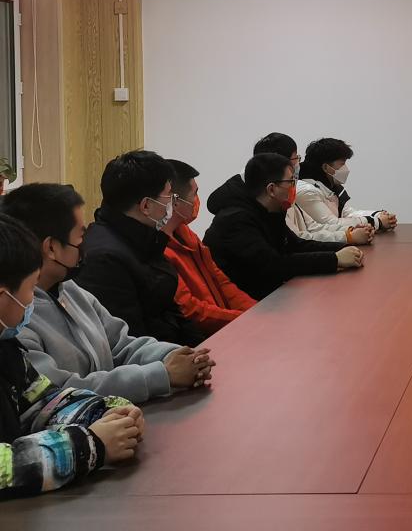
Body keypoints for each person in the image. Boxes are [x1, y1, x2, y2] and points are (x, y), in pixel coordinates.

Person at [2, 183, 213, 402]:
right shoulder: (15, 317)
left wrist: (177, 356)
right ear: (52, 248)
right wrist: (162, 375)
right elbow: (58, 393)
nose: (85, 245)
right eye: (80, 238)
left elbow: (121, 344)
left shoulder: (70, 290)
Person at [0, 212, 145, 499]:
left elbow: (40, 401)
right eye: (30, 289)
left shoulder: (6, 348)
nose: (31, 301)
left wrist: (106, 412)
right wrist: (92, 444)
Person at [75, 151, 205, 346]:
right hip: (153, 359)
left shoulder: (145, 238)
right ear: (146, 206)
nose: (172, 202)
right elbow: (131, 341)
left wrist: (201, 349)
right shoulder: (104, 260)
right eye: (169, 195)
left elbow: (171, 310)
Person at [205, 153, 364, 300]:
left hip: (272, 295)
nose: (295, 187)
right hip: (247, 306)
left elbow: (296, 245)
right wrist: (334, 259)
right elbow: (274, 265)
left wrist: (342, 247)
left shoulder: (271, 210)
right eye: (291, 182)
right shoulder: (235, 221)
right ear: (271, 189)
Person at [164, 160, 256, 336]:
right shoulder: (162, 251)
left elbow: (220, 281)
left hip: (228, 326)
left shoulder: (186, 234)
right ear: (174, 201)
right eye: (194, 194)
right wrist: (245, 320)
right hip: (206, 337)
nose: (196, 201)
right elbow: (190, 309)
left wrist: (255, 312)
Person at [289, 138, 398, 244]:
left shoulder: (330, 187)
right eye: (342, 164)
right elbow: (330, 223)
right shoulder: (307, 191)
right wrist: (377, 222)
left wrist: (377, 215)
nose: (346, 168)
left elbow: (347, 213)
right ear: (326, 167)